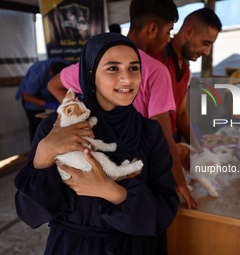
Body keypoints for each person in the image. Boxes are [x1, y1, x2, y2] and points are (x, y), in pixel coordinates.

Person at [14, 33, 179, 255]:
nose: (127, 79)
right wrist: (43, 153)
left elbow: (165, 209)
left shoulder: (150, 132)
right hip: (72, 248)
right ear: (90, 74)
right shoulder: (58, 127)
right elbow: (30, 214)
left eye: (133, 68)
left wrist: (111, 191)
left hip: (134, 248)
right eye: (113, 68)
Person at [48, 0, 199, 210]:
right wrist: (179, 182)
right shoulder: (156, 70)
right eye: (168, 31)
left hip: (100, 168)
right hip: (137, 165)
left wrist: (91, 122)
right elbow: (163, 135)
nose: (168, 39)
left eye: (133, 69)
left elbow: (55, 85)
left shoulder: (96, 62)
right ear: (152, 28)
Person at [150, 8, 221, 151]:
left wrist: (199, 148)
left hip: (169, 142)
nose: (207, 52)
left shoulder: (186, 71)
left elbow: (181, 112)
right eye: (205, 43)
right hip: (153, 146)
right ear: (188, 32)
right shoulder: (157, 59)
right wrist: (172, 148)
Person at [15, 58, 70, 143]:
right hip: (32, 100)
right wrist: (48, 104)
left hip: (53, 99)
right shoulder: (37, 71)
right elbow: (27, 96)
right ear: (51, 73)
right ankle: (35, 153)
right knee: (37, 129)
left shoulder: (67, 67)